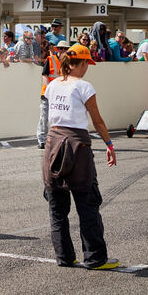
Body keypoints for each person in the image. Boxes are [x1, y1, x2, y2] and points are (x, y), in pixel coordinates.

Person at [42, 44, 118, 270]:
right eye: (88, 64)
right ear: (83, 63)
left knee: (57, 206)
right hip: (77, 145)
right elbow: (98, 121)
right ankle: (95, 258)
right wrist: (109, 144)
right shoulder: (84, 86)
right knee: (87, 204)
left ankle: (64, 257)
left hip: (52, 143)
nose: (88, 68)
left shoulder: (53, 84)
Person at [36, 40, 61, 150]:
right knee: (44, 117)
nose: (63, 51)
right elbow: (45, 76)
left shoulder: (67, 62)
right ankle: (42, 140)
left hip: (60, 94)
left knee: (58, 118)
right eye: (61, 48)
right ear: (57, 49)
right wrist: (49, 91)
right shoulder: (50, 60)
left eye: (65, 49)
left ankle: (56, 140)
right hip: (47, 93)